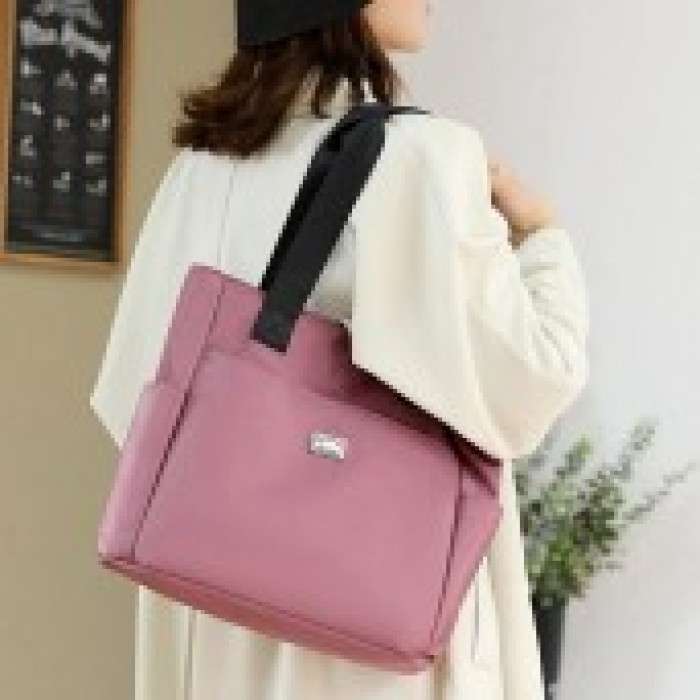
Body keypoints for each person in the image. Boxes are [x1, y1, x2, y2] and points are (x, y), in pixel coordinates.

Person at [89, 1, 590, 698]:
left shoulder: (200, 167)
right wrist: (542, 237)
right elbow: (529, 384)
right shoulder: (421, 156)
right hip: (368, 635)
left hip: (212, 619)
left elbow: (133, 403)